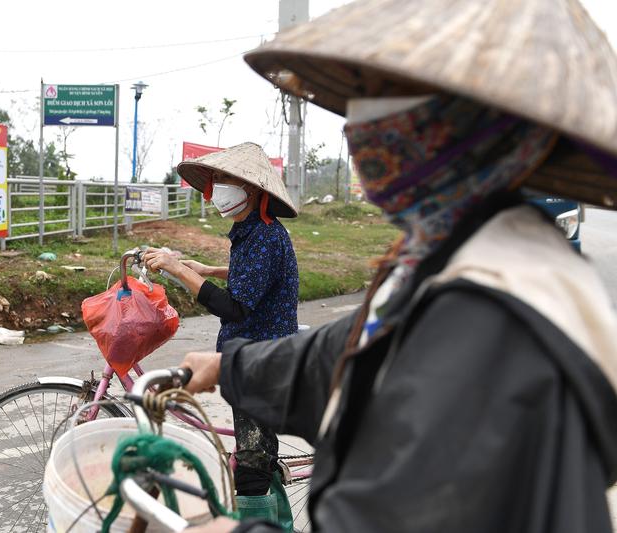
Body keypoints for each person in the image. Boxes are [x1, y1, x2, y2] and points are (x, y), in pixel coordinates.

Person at [181, 0, 617, 531]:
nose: (360, 130)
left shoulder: (485, 316)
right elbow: (355, 348)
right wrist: (230, 368)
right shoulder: (458, 255)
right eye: (363, 100)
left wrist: (218, 527)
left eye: (394, 104)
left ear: (479, 131)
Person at [143, 142, 300, 525]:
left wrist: (178, 270)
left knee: (250, 468)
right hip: (249, 354)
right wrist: (208, 269)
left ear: (251, 188)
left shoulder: (264, 236)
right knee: (257, 455)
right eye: (217, 179)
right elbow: (253, 277)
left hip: (258, 361)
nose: (218, 186)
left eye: (227, 179)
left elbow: (235, 307)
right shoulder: (250, 230)